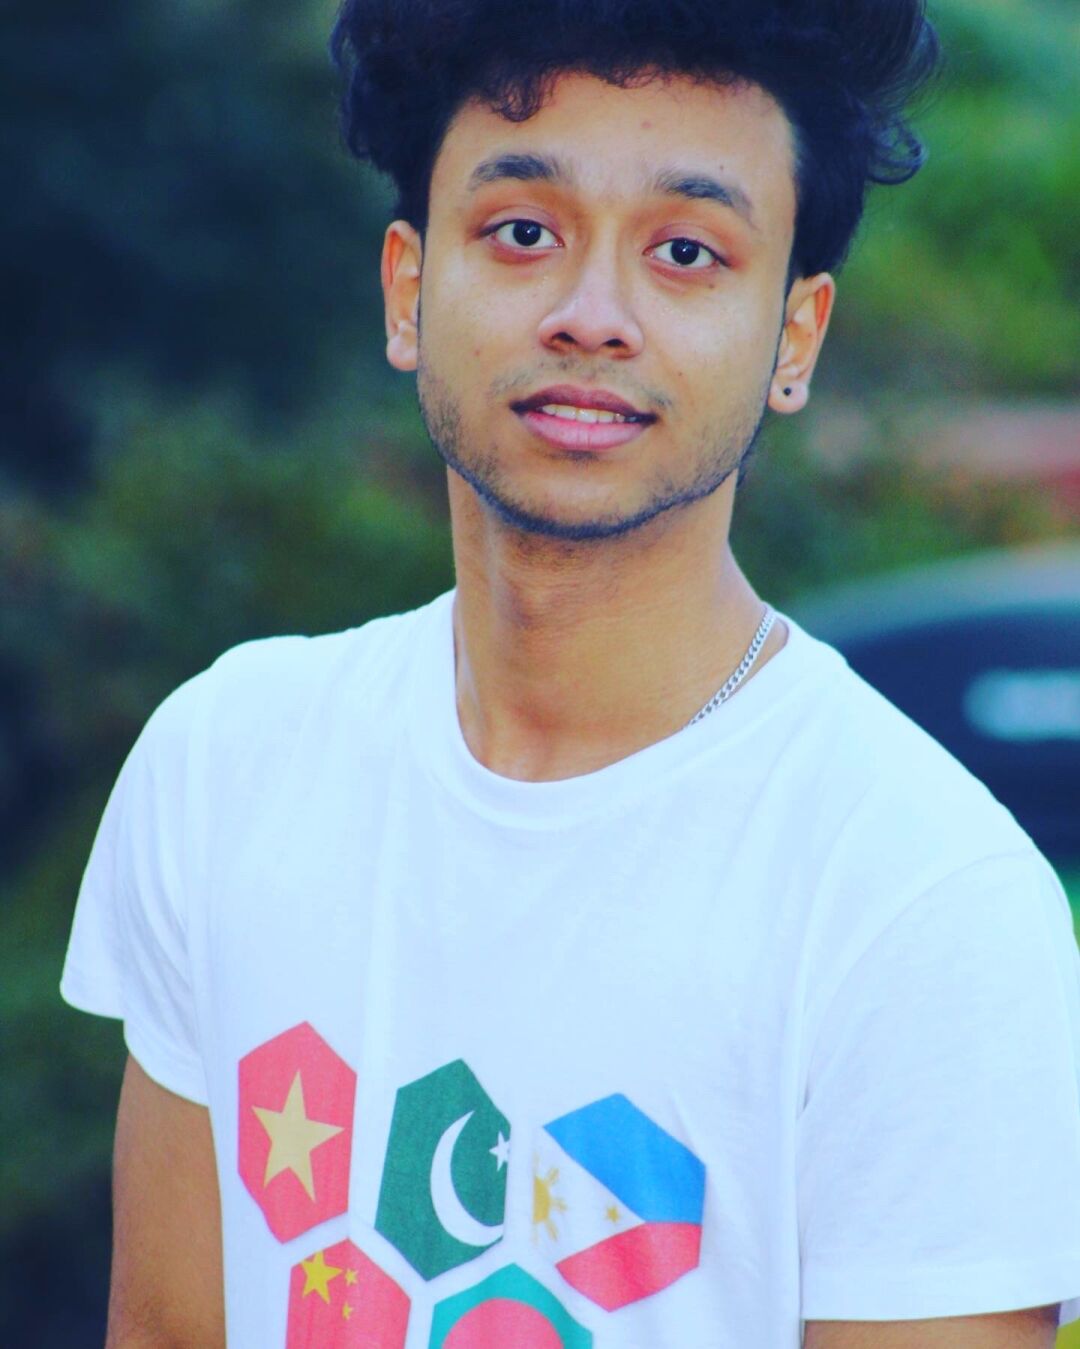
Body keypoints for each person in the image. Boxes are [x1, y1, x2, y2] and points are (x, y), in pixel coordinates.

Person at [60, 0, 1080, 1345]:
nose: (593, 316)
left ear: (795, 338)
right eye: (523, 231)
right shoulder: (225, 764)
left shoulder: (922, 903)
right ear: (408, 290)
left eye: (686, 251)